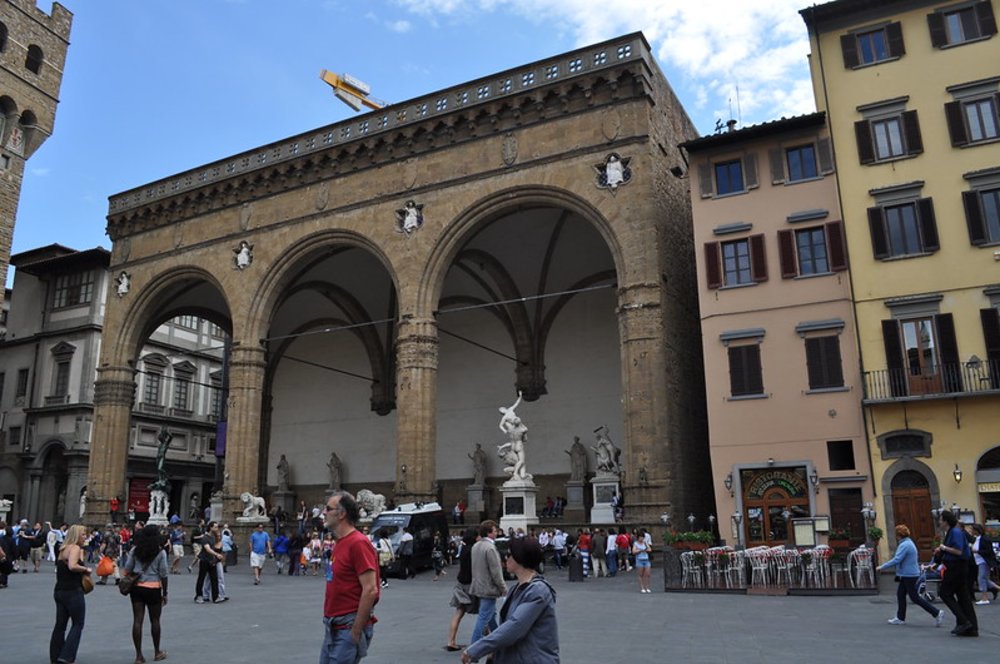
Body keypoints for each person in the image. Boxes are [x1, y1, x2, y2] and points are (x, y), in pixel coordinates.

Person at [462, 537, 558, 663]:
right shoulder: (515, 588)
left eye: (509, 554)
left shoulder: (538, 591)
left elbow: (514, 627)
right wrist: (495, 653)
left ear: (520, 558)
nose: (505, 558)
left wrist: (475, 650)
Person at [320, 491, 380, 664]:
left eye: (328, 509)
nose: (324, 512)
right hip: (333, 626)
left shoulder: (358, 543)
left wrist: (356, 629)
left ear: (342, 514)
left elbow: (370, 589)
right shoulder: (340, 542)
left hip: (347, 627)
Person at [877, 524, 945, 627]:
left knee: (914, 597)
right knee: (901, 594)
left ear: (899, 535)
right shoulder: (908, 543)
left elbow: (897, 559)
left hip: (909, 575)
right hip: (907, 574)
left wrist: (882, 566)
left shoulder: (904, 545)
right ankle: (900, 617)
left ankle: (936, 612)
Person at [124, 525, 170, 663]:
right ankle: (157, 652)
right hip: (154, 588)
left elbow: (127, 568)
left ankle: (138, 655)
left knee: (137, 620)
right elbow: (164, 574)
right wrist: (165, 592)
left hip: (137, 588)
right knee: (155, 620)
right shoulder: (160, 552)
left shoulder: (135, 550)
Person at [50, 524, 92, 664]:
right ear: (77, 535)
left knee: (60, 625)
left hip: (59, 590)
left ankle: (55, 655)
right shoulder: (74, 548)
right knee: (77, 623)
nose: (85, 537)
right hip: (72, 591)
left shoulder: (62, 549)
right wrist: (86, 569)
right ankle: (67, 656)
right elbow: (72, 566)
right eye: (83, 535)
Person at [936, 510, 977, 636]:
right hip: (956, 566)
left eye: (940, 519)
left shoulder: (955, 532)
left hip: (956, 567)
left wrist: (943, 548)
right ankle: (970, 627)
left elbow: (958, 551)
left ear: (945, 521)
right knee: (963, 596)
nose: (939, 522)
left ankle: (964, 621)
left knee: (945, 593)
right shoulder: (952, 532)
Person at [469, 520, 507, 644]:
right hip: (488, 587)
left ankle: (499, 640)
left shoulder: (476, 546)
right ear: (489, 533)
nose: (497, 533)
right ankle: (473, 648)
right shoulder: (490, 548)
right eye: (495, 531)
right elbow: (496, 572)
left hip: (478, 586)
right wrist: (503, 588)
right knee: (484, 617)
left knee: (490, 616)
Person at [445, 527, 480, 652]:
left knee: (458, 612)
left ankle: (451, 641)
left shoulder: (463, 548)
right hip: (471, 584)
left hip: (461, 582)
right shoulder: (474, 550)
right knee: (484, 613)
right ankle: (491, 640)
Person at [193, 521, 225, 604]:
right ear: (210, 527)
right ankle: (199, 596)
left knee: (214, 579)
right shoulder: (205, 537)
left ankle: (215, 597)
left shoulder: (213, 538)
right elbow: (207, 549)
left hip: (211, 561)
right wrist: (216, 554)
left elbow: (214, 547)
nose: (217, 528)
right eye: (215, 527)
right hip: (204, 560)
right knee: (201, 578)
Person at [967, 523, 999, 604]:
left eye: (972, 530)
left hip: (983, 561)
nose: (971, 531)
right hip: (979, 561)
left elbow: (988, 551)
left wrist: (977, 551)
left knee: (981, 578)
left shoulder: (984, 539)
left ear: (976, 531)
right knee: (985, 579)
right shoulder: (977, 538)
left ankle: (984, 598)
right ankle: (997, 588)